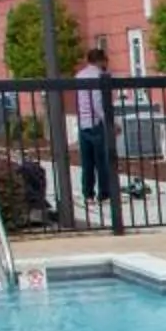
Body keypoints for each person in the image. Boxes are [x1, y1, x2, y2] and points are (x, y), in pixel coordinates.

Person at [74, 44, 114, 212]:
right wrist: (110, 122)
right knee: (102, 162)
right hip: (96, 124)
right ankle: (104, 194)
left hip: (83, 124)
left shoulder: (79, 76)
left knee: (87, 162)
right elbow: (98, 103)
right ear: (100, 60)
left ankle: (88, 194)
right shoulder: (100, 76)